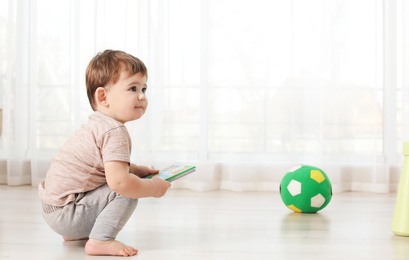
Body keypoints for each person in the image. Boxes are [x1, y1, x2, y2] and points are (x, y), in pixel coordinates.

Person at [38, 49, 171, 257]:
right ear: (103, 96)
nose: (142, 96)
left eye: (144, 89)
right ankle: (101, 240)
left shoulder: (99, 125)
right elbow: (119, 183)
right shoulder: (114, 131)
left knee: (125, 178)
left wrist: (134, 169)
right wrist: (153, 187)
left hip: (54, 209)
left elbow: (101, 166)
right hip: (66, 215)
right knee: (126, 190)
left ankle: (75, 233)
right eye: (133, 88)